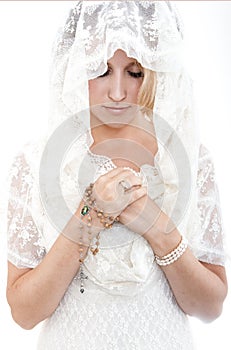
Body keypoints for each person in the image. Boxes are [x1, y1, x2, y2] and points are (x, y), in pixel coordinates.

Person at [6, 1, 228, 349]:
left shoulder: (190, 159)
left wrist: (157, 228)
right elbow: (24, 312)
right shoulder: (37, 161)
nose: (118, 92)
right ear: (77, 65)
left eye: (135, 72)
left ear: (156, 70)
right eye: (101, 70)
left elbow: (211, 307)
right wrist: (91, 215)